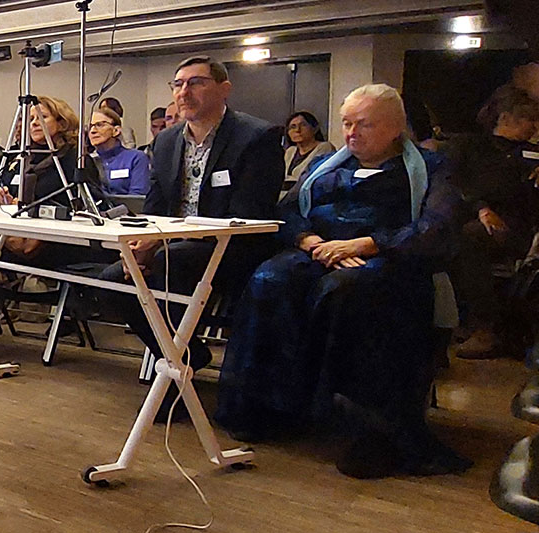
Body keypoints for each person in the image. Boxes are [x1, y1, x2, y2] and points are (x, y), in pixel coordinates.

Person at [214, 85, 470, 479]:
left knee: (343, 291)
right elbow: (287, 211)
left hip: (390, 258)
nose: (351, 133)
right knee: (269, 280)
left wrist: (367, 244)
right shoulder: (326, 166)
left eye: (364, 124)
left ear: (395, 127)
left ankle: (366, 430)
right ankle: (271, 408)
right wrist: (311, 242)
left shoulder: (432, 167)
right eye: (347, 123)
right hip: (319, 251)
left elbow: (438, 226)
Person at [100, 57, 283, 367]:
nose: (184, 92)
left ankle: (176, 366)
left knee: (167, 263)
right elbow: (154, 207)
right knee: (113, 280)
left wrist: (161, 243)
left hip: (233, 247)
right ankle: (184, 357)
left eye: (196, 83)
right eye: (178, 84)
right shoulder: (166, 141)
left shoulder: (256, 137)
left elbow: (248, 213)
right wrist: (141, 245)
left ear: (224, 89)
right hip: (173, 245)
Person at [446, 86, 539, 358]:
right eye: (529, 119)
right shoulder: (470, 147)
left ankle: (485, 329)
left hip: (520, 225)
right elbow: (455, 182)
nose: (534, 127)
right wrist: (481, 207)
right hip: (473, 216)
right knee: (459, 233)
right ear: (505, 117)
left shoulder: (532, 154)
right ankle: (459, 321)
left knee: (471, 237)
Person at [87, 104, 151, 197]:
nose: (93, 131)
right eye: (90, 126)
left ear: (116, 130)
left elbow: (137, 198)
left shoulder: (136, 158)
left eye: (99, 125)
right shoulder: (87, 162)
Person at [278, 111, 336, 206]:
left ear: (315, 129)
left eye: (303, 125)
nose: (297, 130)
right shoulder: (290, 151)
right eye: (293, 127)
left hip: (308, 197)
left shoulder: (324, 147)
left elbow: (311, 177)